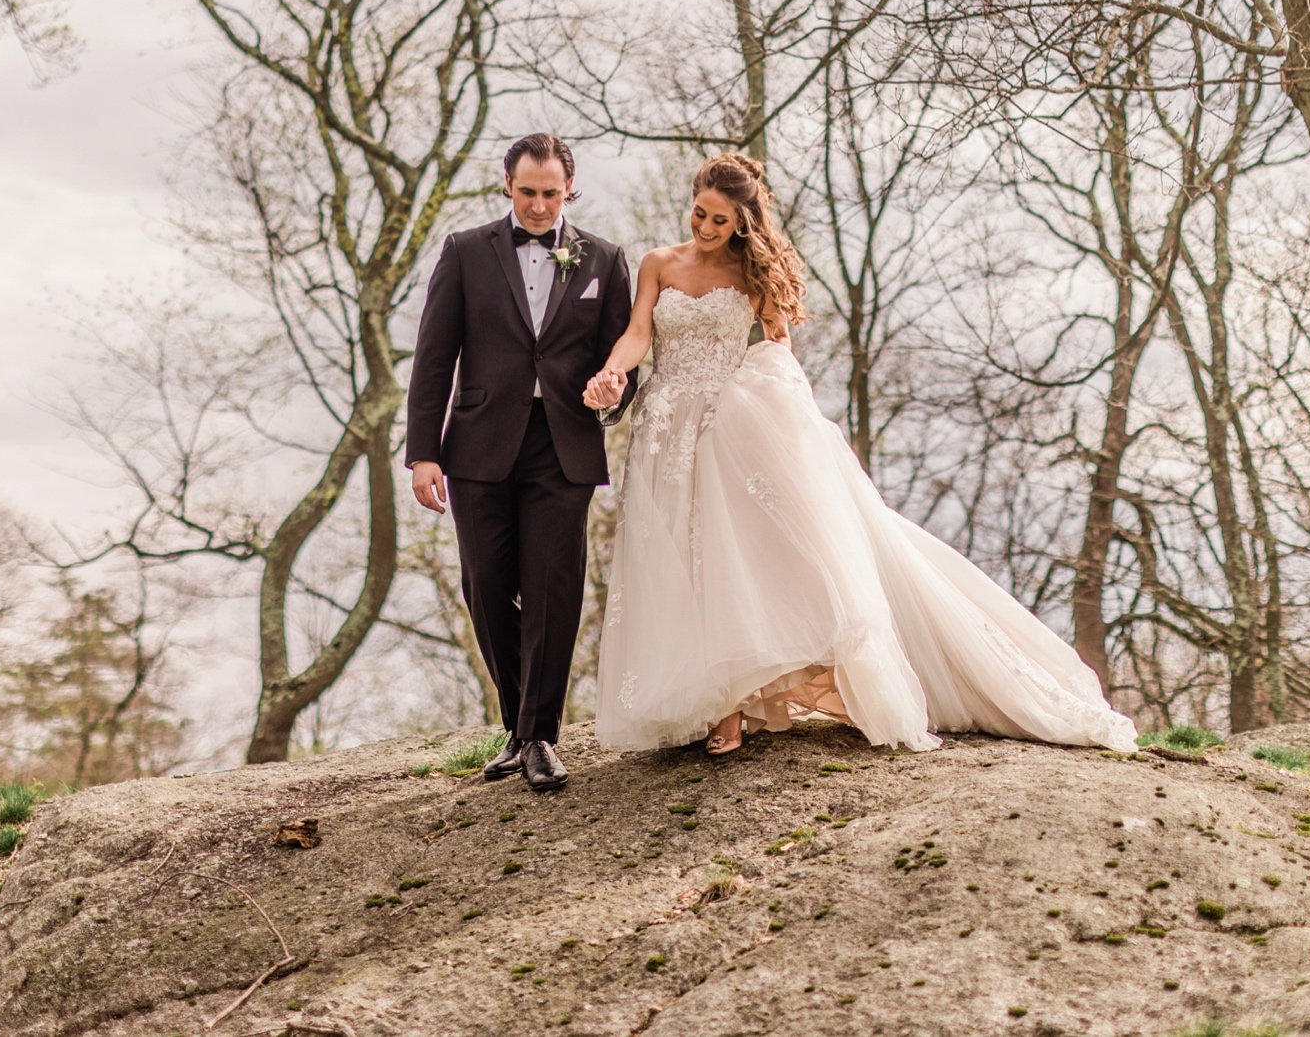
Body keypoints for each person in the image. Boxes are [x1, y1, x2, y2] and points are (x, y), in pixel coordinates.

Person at [582, 154, 1138, 756]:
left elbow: (778, 346)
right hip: (664, 427)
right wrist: (613, 372)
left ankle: (730, 705)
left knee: (726, 556)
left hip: (725, 428)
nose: (706, 227)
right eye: (700, 214)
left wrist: (764, 409)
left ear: (742, 222)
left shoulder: (752, 271)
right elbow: (639, 334)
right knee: (672, 556)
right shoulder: (659, 263)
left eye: (721, 220)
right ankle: (692, 697)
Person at [406, 134, 636, 790]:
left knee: (551, 592)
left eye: (551, 194)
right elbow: (433, 358)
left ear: (570, 191)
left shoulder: (605, 260)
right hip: (477, 445)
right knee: (484, 585)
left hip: (563, 446)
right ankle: (518, 722)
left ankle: (538, 736)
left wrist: (614, 393)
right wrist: (423, 453)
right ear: (507, 185)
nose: (538, 205)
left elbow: (622, 363)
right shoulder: (464, 251)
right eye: (528, 192)